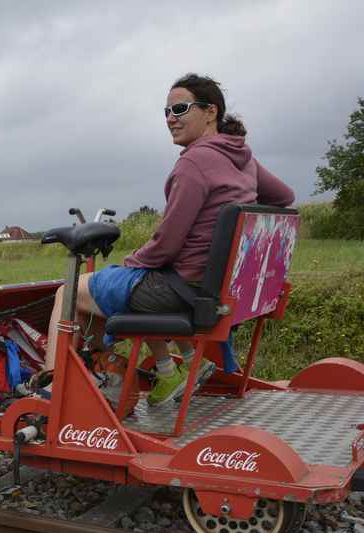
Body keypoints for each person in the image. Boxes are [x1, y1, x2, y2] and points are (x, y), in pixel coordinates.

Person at [38, 73, 295, 405]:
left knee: (71, 292)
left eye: (181, 109)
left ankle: (51, 391)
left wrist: (133, 263)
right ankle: (152, 370)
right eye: (167, 112)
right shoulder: (240, 157)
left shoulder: (195, 162)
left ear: (210, 112)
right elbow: (284, 197)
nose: (171, 119)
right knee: (113, 284)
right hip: (219, 287)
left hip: (184, 289)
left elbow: (165, 245)